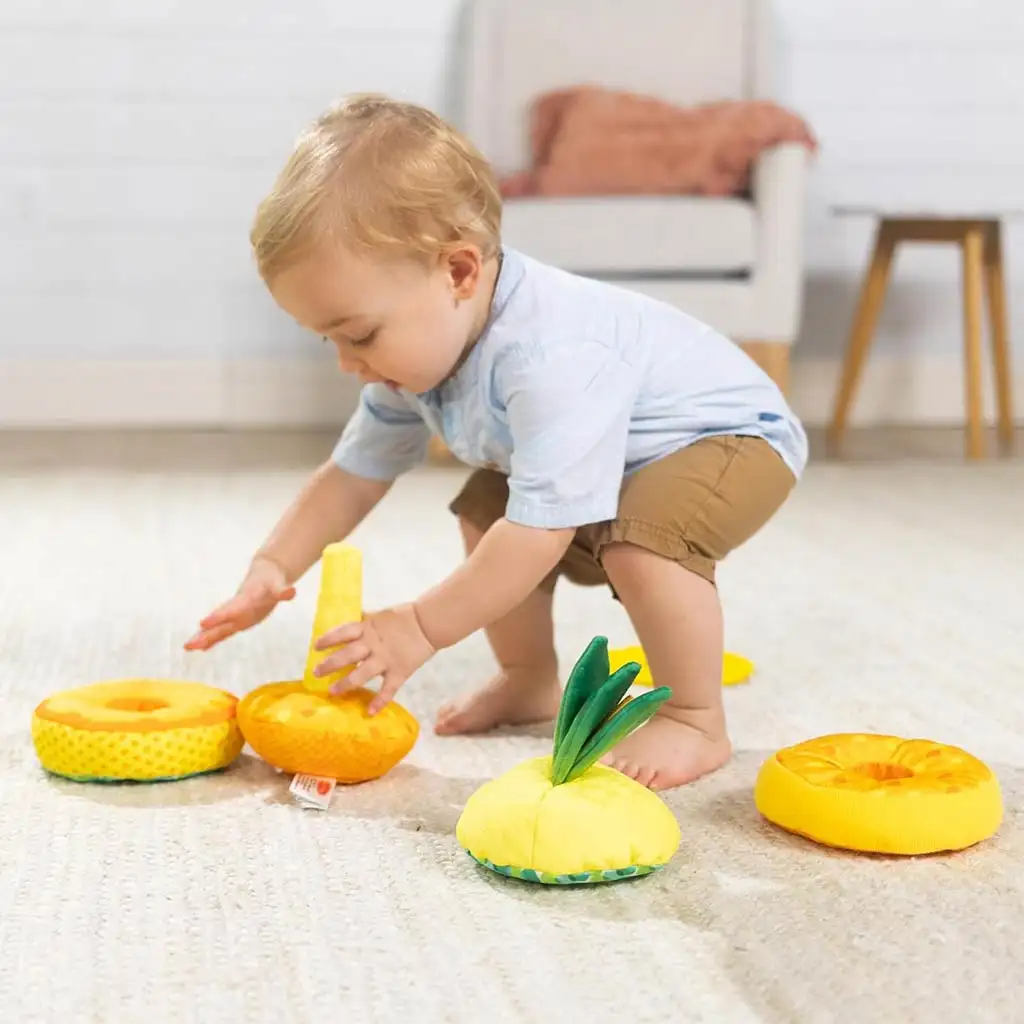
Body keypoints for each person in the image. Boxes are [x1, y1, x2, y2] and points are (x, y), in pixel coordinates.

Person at [185, 94, 807, 790]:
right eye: (328, 339)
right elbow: (352, 475)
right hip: (619, 453)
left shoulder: (548, 358)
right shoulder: (414, 360)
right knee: (486, 507)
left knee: (642, 541)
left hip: (727, 437)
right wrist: (273, 565)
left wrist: (419, 626)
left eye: (358, 334)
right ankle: (528, 678)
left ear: (459, 272)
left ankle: (695, 717)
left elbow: (541, 533)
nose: (346, 362)